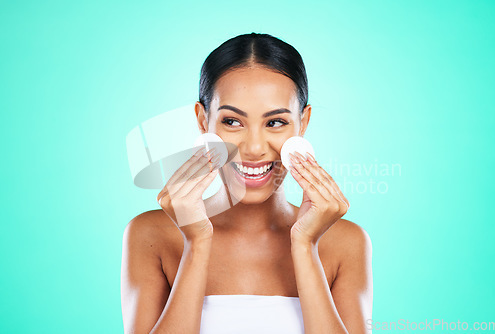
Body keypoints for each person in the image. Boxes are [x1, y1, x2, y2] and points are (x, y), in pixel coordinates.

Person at [121, 32, 373, 334]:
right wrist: (196, 242)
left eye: (275, 122)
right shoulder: (150, 235)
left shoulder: (345, 242)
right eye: (232, 121)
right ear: (203, 122)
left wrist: (306, 246)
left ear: (302, 123)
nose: (254, 148)